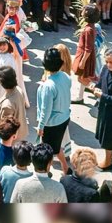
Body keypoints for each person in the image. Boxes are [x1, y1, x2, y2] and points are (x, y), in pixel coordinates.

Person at [35, 47, 72, 175]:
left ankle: (46, 171)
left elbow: (46, 110)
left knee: (48, 151)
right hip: (65, 118)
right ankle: (65, 167)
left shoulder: (47, 86)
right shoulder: (66, 76)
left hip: (52, 124)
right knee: (56, 147)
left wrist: (40, 127)